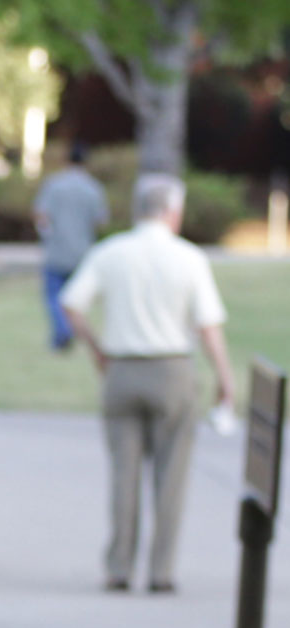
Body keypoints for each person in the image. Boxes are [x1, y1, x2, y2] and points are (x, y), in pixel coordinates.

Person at [59, 173, 236, 595]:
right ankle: (161, 570)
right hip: (172, 369)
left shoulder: (110, 252)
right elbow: (208, 326)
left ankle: (119, 566)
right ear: (172, 211)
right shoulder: (188, 257)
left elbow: (71, 305)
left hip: (121, 370)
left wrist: (97, 349)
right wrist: (225, 378)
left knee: (125, 474)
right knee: (170, 477)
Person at [34, 142, 109, 351]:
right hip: (82, 253)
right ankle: (72, 331)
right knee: (76, 298)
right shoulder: (93, 188)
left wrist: (47, 233)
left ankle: (63, 332)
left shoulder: (54, 184)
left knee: (53, 297)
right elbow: (100, 220)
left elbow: (41, 215)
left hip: (57, 250)